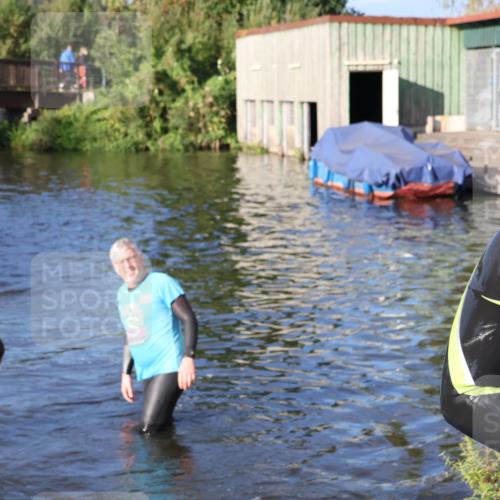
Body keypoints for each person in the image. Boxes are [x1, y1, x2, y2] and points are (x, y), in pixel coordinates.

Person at [110, 238, 198, 434]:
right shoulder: (122, 294)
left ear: (140, 258)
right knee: (162, 425)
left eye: (131, 258)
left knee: (148, 429)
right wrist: (126, 374)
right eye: (121, 261)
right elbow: (130, 334)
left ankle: (156, 464)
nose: (128, 265)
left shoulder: (161, 282)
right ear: (115, 267)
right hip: (146, 370)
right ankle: (180, 461)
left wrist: (188, 358)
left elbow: (189, 319)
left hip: (170, 365)